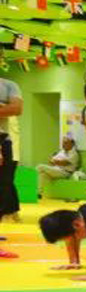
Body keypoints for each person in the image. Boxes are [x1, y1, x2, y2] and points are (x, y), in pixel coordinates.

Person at [0, 77, 23, 223]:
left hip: (6, 139)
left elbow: (16, 108)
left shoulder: (8, 85)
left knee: (5, 179)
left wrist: (6, 108)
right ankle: (12, 210)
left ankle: (8, 211)